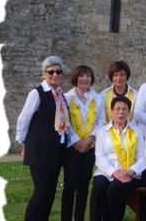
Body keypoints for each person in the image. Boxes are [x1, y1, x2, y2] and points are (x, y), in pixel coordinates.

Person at [16, 56, 78, 221]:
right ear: (44, 74)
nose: (55, 75)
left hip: (57, 151)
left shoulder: (60, 95)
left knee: (50, 193)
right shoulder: (36, 93)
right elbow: (24, 119)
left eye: (58, 71)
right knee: (41, 192)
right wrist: (23, 142)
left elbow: (65, 122)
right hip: (40, 151)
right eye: (51, 72)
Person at [90, 96, 146, 221]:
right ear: (111, 111)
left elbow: (143, 158)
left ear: (129, 112)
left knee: (114, 190)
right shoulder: (102, 132)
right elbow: (100, 157)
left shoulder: (136, 131)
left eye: (124, 109)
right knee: (99, 187)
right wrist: (115, 172)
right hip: (107, 172)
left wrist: (130, 171)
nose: (121, 112)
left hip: (129, 173)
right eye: (118, 109)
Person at [62, 65, 106, 221]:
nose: (85, 79)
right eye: (82, 76)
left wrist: (89, 139)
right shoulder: (66, 97)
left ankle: (79, 218)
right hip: (72, 148)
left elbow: (101, 121)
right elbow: (65, 122)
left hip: (90, 147)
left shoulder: (98, 98)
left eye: (88, 76)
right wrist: (76, 141)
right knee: (69, 185)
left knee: (83, 186)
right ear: (76, 78)